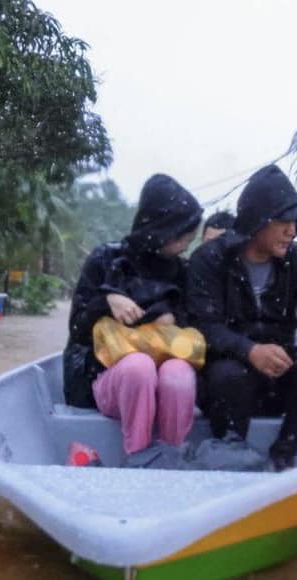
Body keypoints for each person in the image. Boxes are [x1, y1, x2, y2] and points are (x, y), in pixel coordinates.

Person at [187, 164, 297, 471]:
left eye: (295, 221)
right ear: (256, 221)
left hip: (278, 378)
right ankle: (232, 451)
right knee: (227, 373)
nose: (292, 230)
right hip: (226, 382)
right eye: (283, 221)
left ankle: (283, 453)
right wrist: (250, 351)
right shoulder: (210, 259)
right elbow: (203, 326)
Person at [63, 174, 202, 456]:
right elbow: (77, 329)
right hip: (107, 378)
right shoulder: (106, 260)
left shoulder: (184, 272)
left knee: (178, 373)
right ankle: (138, 456)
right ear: (162, 229)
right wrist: (106, 300)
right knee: (138, 366)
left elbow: (197, 327)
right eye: (183, 232)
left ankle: (171, 456)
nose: (189, 238)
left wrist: (172, 318)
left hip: (165, 372)